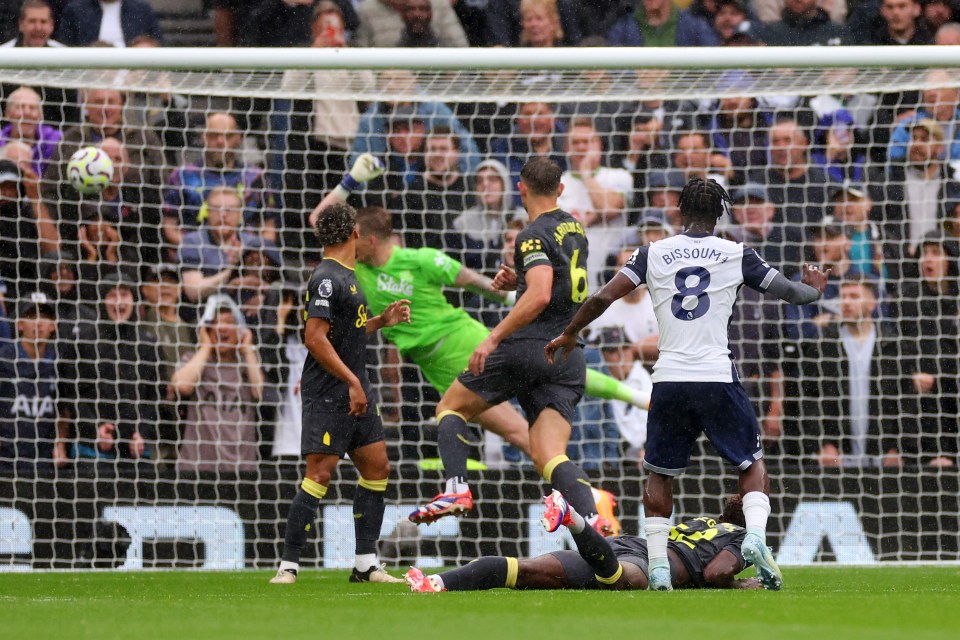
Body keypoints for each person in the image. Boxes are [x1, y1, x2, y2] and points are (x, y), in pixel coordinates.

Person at [311, 157, 647, 529]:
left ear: (369, 238)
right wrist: (353, 179)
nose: (350, 241)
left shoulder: (420, 259)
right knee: (529, 441)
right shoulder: (357, 270)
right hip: (444, 364)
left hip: (467, 342)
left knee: (459, 412)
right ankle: (593, 500)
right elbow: (320, 223)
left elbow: (483, 283)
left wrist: (497, 324)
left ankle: (458, 489)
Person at [546, 176, 831, 591]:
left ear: (679, 211)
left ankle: (659, 568)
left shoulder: (651, 253)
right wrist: (814, 287)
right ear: (721, 213)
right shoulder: (737, 253)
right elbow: (792, 293)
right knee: (750, 465)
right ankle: (753, 537)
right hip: (716, 375)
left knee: (660, 474)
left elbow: (602, 298)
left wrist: (571, 333)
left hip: (670, 378)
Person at [408, 157, 614, 537]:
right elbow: (556, 282)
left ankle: (456, 490)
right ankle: (595, 514)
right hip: (567, 356)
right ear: (561, 189)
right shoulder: (576, 227)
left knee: (451, 406)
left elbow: (538, 296)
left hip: (528, 348)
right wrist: (517, 277)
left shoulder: (530, 234)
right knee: (548, 454)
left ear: (520, 188)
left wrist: (492, 337)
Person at [270, 201, 411, 586]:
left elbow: (344, 336)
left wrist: (381, 321)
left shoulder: (349, 276)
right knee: (320, 472)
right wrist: (351, 381)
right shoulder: (327, 278)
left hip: (355, 387)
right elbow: (314, 339)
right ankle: (288, 565)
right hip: (331, 390)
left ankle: (366, 562)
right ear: (354, 233)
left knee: (377, 467)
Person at [406, 493, 762, 592]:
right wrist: (741, 581)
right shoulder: (743, 538)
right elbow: (716, 574)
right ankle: (573, 516)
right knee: (623, 581)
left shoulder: (707, 522)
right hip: (646, 564)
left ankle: (437, 581)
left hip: (628, 545)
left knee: (524, 571)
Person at [172, 297, 265, 475]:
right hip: (196, 470)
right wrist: (205, 347)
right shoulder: (194, 359)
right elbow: (182, 386)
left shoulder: (247, 363)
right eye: (215, 323)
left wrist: (247, 349)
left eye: (229, 322)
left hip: (241, 470)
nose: (222, 328)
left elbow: (259, 392)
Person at [0, 293, 67, 475]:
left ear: (53, 326)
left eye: (45, 317)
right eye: (31, 316)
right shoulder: (4, 359)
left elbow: (64, 409)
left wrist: (60, 444)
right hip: (6, 459)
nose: (38, 323)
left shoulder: (59, 362)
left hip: (44, 459)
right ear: (20, 324)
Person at [55, 0, 163, 47]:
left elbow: (157, 43)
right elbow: (65, 46)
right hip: (89, 77)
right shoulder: (76, 10)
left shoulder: (142, 10)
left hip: (133, 79)